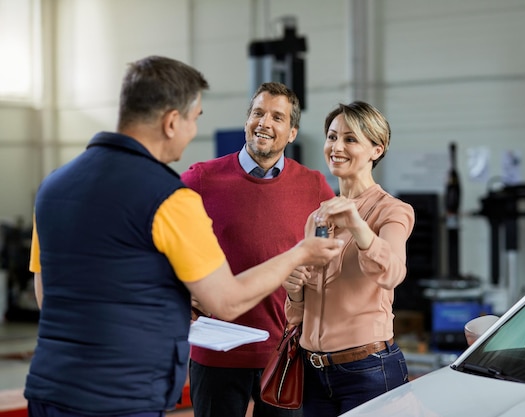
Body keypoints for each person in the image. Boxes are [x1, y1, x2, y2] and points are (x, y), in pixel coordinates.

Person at [24, 56, 343, 417]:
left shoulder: (52, 186)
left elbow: (46, 296)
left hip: (50, 387)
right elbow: (225, 301)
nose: (194, 131)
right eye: (195, 119)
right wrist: (301, 254)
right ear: (172, 121)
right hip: (124, 393)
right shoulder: (171, 196)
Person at [181, 82, 336, 417]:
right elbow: (160, 238)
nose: (265, 122)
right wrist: (178, 287)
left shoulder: (313, 185)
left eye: (277, 117)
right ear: (247, 121)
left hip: (283, 353)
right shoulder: (201, 179)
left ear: (292, 131)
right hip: (216, 352)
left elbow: (337, 253)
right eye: (258, 113)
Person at [284, 101, 416, 416]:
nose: (336, 146)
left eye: (350, 139)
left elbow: (392, 273)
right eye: (332, 137)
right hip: (314, 372)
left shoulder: (392, 211)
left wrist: (357, 223)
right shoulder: (318, 216)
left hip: (368, 371)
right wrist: (294, 289)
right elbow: (298, 314)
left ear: (376, 149)